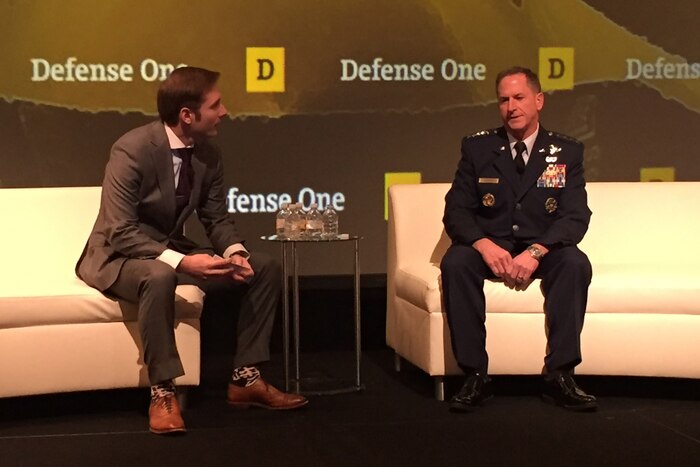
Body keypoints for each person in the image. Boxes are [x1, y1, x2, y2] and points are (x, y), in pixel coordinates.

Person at [76, 66, 307, 435]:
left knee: (264, 267)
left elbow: (216, 218)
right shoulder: (132, 149)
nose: (225, 111)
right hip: (118, 256)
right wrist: (184, 261)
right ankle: (162, 391)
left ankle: (245, 378)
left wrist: (235, 253)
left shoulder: (208, 155)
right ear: (187, 114)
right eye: (216, 105)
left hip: (167, 251)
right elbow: (120, 231)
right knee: (159, 273)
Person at [441, 66, 596, 413]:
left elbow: (575, 216)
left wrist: (537, 251)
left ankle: (560, 374)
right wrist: (483, 244)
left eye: (519, 98)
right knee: (456, 262)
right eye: (503, 100)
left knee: (575, 263)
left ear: (538, 100)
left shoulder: (566, 152)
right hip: (490, 247)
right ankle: (474, 375)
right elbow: (457, 212)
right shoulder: (478, 148)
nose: (511, 106)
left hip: (540, 249)